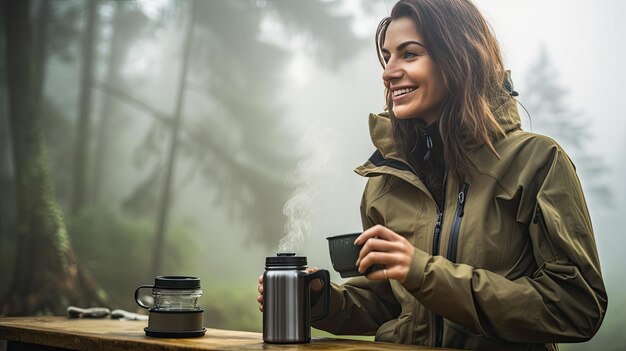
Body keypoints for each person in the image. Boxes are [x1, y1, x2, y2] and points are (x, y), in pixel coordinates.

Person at [257, 0, 607, 349]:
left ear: (459, 58)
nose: (388, 71)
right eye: (387, 56)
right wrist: (322, 300)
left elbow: (576, 307)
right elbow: (391, 303)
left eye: (409, 54)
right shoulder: (387, 179)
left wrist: (422, 272)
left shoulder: (536, 162)